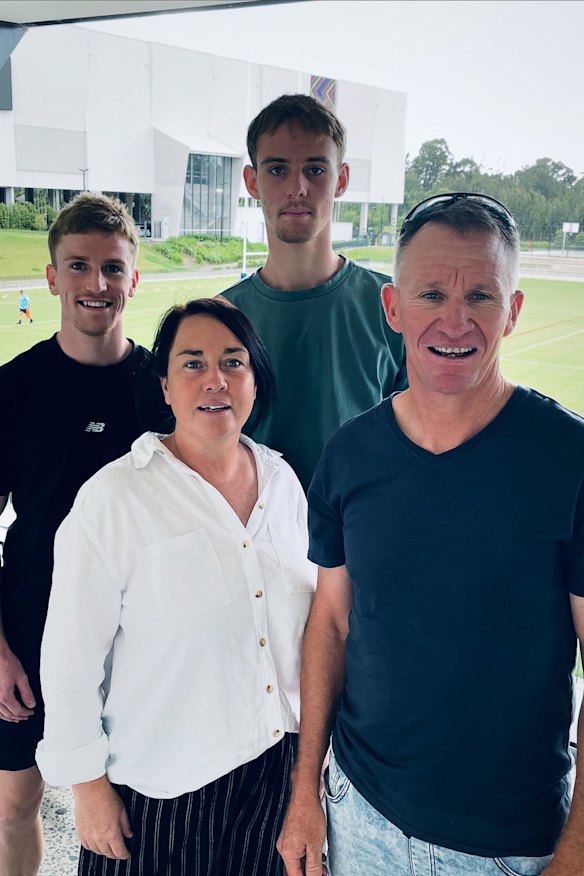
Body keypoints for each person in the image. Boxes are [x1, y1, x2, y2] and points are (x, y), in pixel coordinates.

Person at [277, 193, 584, 875]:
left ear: (513, 311)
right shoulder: (350, 454)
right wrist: (305, 792)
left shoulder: (570, 460)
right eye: (432, 293)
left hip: (508, 844)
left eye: (481, 294)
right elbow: (329, 621)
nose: (456, 318)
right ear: (393, 308)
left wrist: (578, 852)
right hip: (359, 815)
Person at [36, 297, 316, 876]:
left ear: (254, 381)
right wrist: (88, 790)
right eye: (192, 363)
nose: (215, 379)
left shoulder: (284, 483)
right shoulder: (114, 498)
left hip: (274, 777)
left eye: (233, 362)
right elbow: (68, 657)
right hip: (160, 794)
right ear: (163, 385)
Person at [0, 193, 163, 876]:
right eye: (79, 267)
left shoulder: (164, 387)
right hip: (30, 631)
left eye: (112, 268)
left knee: (129, 811)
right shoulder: (14, 389)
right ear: (52, 278)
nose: (97, 284)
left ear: (134, 277)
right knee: (13, 803)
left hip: (139, 640)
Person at [222, 94, 406, 491]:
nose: (297, 187)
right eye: (277, 169)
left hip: (359, 539)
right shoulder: (221, 317)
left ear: (341, 180)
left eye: (315, 169)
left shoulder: (392, 308)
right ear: (252, 182)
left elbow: (419, 442)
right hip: (251, 539)